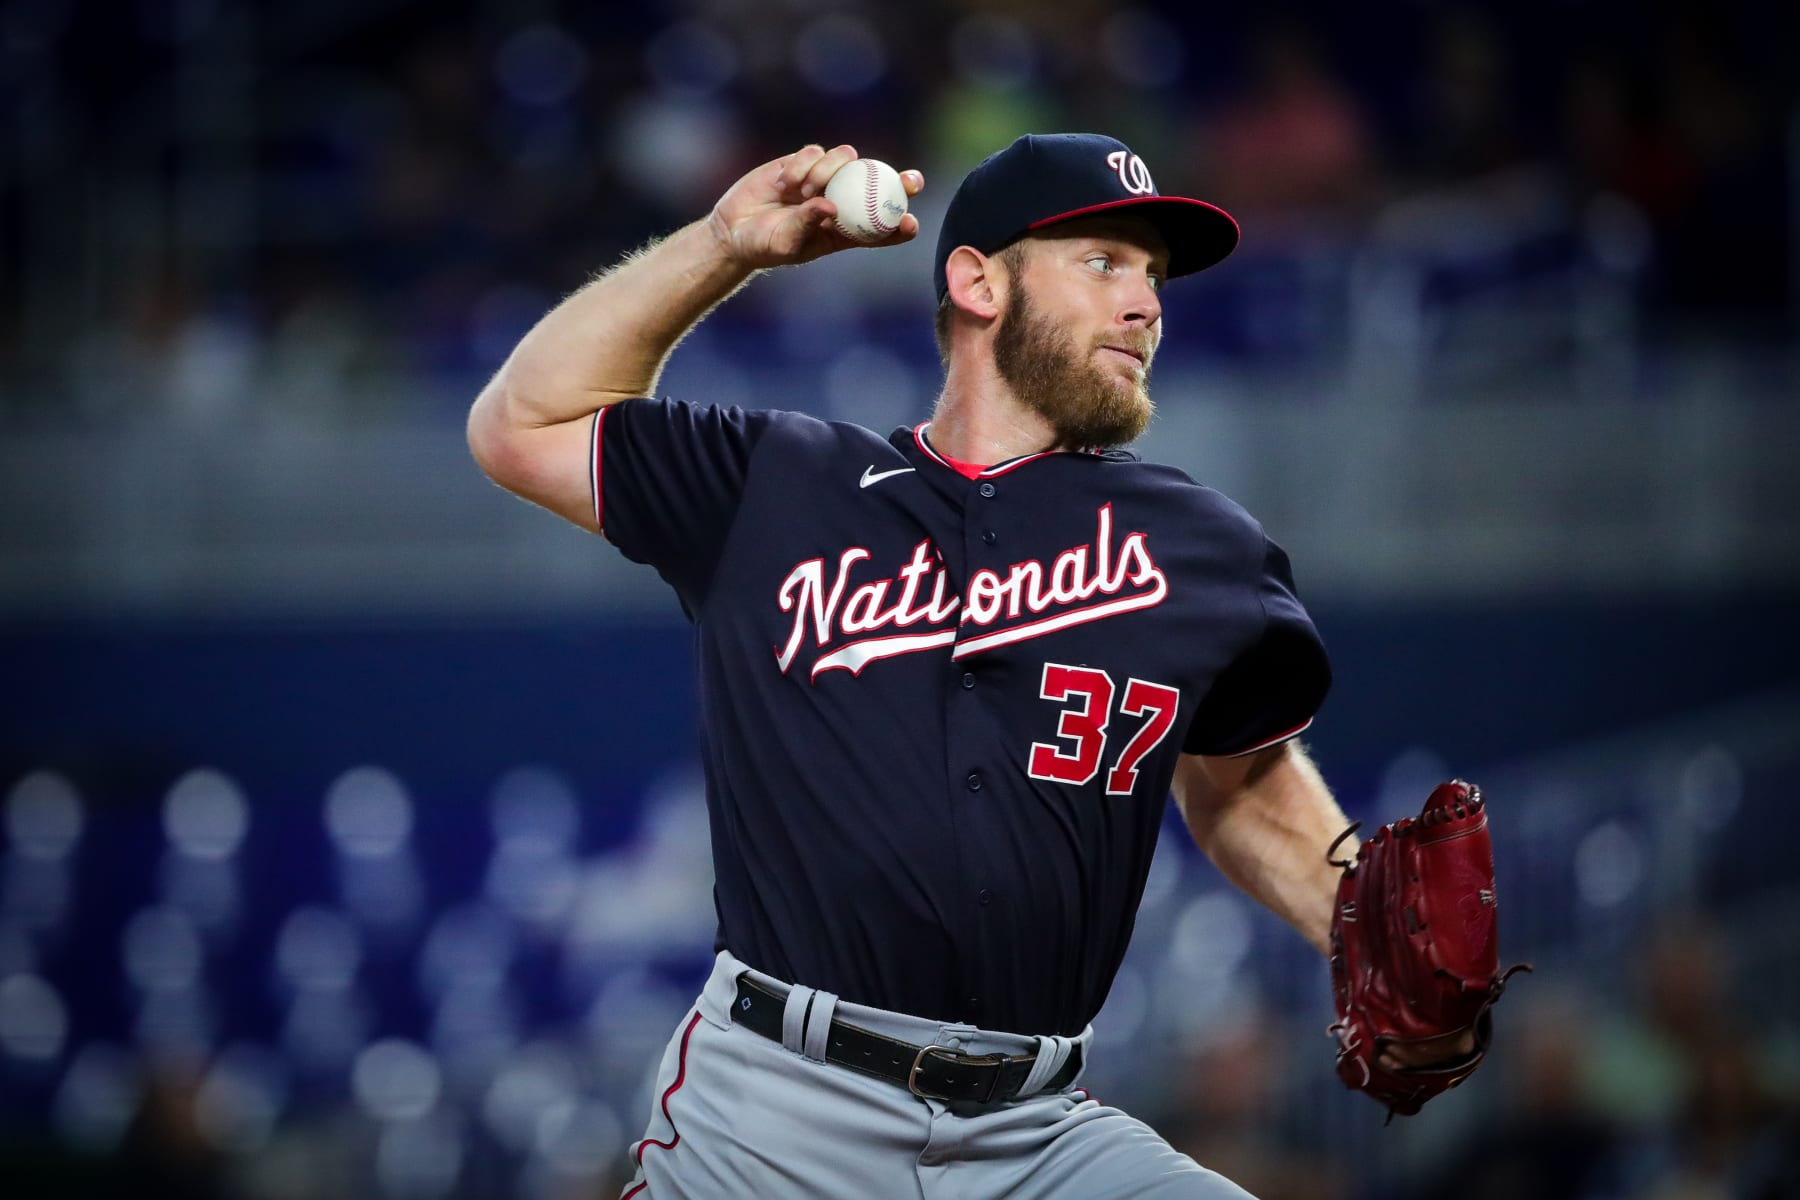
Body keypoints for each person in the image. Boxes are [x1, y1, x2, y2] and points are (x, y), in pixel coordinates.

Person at [468, 134, 1470, 1198]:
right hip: (776, 1112)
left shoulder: (1198, 546)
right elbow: (522, 425)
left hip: (1035, 1132)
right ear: (977, 280)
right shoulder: (779, 483)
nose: (1145, 305)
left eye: (1154, 277)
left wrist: (1365, 924)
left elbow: (1245, 784)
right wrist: (723, 248)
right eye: (1104, 262)